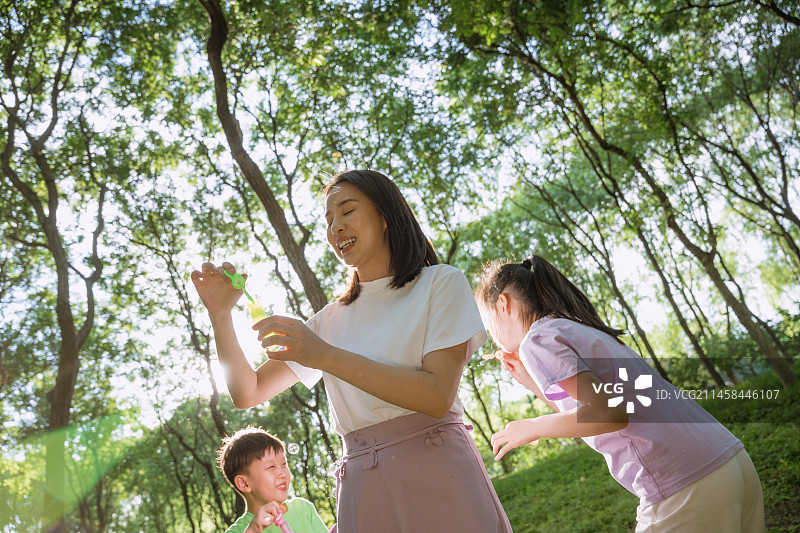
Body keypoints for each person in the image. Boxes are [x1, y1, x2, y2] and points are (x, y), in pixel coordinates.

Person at [191, 170, 512, 532]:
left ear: (386, 216)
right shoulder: (329, 321)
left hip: (441, 470)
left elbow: (437, 394)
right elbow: (247, 391)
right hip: (365, 485)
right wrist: (220, 316)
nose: (335, 227)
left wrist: (324, 356)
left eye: (346, 211)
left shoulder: (440, 283)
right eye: (329, 220)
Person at [475, 255, 765, 532]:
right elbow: (590, 410)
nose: (492, 335)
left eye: (489, 324)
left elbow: (608, 415)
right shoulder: (573, 328)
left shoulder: (536, 340)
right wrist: (531, 382)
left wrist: (531, 427)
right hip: (728, 460)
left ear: (504, 305)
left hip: (685, 484)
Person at [217, 426, 328, 533]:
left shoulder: (303, 509)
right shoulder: (238, 531)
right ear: (244, 483)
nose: (282, 473)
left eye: (284, 464)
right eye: (271, 467)